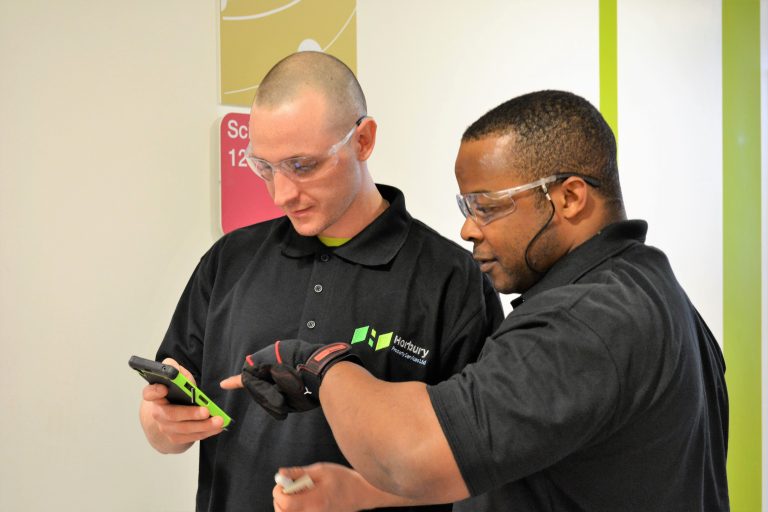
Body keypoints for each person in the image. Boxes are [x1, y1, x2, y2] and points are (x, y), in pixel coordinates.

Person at [223, 90, 730, 511]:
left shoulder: (587, 322)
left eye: (487, 207)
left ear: (570, 197)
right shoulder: (652, 293)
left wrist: (320, 364)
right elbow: (511, 458)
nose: (468, 228)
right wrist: (358, 491)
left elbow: (411, 454)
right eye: (466, 206)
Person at [138, 51, 503, 512]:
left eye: (303, 166)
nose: (281, 193)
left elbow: (483, 461)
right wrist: (160, 426)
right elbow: (168, 410)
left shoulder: (452, 280)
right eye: (265, 168)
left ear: (363, 140)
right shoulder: (229, 261)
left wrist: (360, 494)